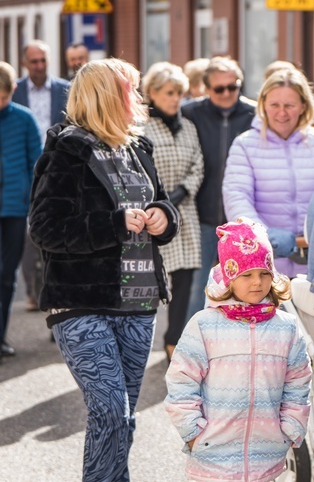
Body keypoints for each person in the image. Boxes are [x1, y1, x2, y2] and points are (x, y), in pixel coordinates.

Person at [28, 58, 179, 481]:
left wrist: (163, 218)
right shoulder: (66, 151)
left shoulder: (138, 147)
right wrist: (114, 223)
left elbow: (164, 205)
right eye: (129, 90)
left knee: (123, 416)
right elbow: (44, 229)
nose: (138, 98)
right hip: (79, 301)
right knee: (111, 408)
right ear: (105, 97)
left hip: (139, 299)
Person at [165, 217, 311, 482]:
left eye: (264, 273)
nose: (257, 282)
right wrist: (194, 433)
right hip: (211, 460)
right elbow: (181, 382)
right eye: (246, 274)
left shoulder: (286, 327)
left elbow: (298, 381)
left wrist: (290, 429)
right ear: (230, 277)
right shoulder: (204, 325)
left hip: (266, 458)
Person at [223, 68, 314, 278]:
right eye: (274, 105)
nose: (281, 113)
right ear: (262, 105)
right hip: (264, 266)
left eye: (289, 105)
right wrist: (264, 235)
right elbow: (237, 197)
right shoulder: (245, 145)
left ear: (303, 106)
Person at [182, 56, 257, 321]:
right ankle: (190, 346)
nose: (227, 93)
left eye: (233, 87)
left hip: (242, 220)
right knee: (199, 287)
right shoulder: (190, 113)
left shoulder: (255, 113)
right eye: (219, 89)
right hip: (201, 215)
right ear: (206, 88)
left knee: (244, 286)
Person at [141, 61, 205, 362]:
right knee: (153, 280)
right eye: (168, 92)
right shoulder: (142, 128)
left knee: (185, 281)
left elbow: (198, 165)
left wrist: (180, 193)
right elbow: (140, 170)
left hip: (185, 213)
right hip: (152, 214)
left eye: (179, 92)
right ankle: (142, 340)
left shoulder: (189, 127)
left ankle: (173, 340)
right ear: (152, 93)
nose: (175, 98)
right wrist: (162, 200)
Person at [13, 39, 70, 312]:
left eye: (43, 60)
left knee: (55, 228)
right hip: (25, 170)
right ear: (25, 63)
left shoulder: (64, 90)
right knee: (27, 234)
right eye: (34, 61)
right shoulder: (15, 91)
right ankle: (34, 289)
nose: (39, 66)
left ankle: (52, 290)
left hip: (58, 171)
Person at [0, 61, 42, 360]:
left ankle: (0, 337)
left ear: (13, 90)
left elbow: (36, 164)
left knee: (7, 275)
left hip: (14, 207)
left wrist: (33, 201)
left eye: (3, 98)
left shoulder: (25, 119)